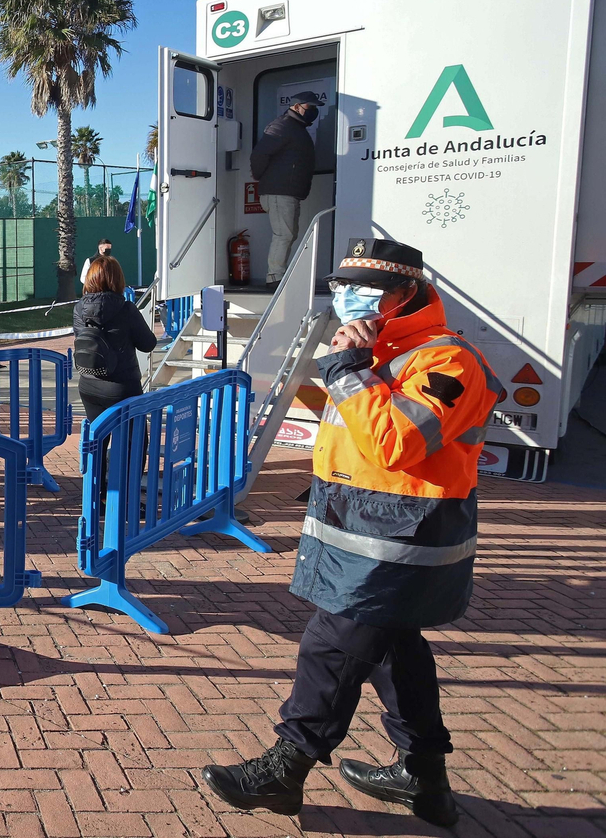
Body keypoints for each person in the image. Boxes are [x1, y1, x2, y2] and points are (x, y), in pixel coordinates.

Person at [200, 239, 501, 828]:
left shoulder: (445, 361)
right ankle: (424, 777)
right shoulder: (373, 353)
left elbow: (396, 442)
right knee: (394, 653)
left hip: (404, 540)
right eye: (340, 286)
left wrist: (345, 371)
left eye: (363, 289)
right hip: (361, 530)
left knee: (330, 647)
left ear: (405, 297)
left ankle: (288, 767)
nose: (345, 298)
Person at [250, 90, 324, 287]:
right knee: (284, 235)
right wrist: (260, 177)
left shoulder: (295, 128)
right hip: (278, 191)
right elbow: (259, 154)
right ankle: (275, 277)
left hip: (287, 192)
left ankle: (278, 275)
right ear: (297, 106)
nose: (313, 111)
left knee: (289, 234)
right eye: (310, 107)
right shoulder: (282, 126)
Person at [72, 255, 156, 425]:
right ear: (118, 279)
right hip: (122, 387)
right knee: (134, 443)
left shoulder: (79, 308)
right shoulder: (126, 309)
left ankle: (97, 453)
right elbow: (148, 344)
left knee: (97, 441)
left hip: (88, 383)